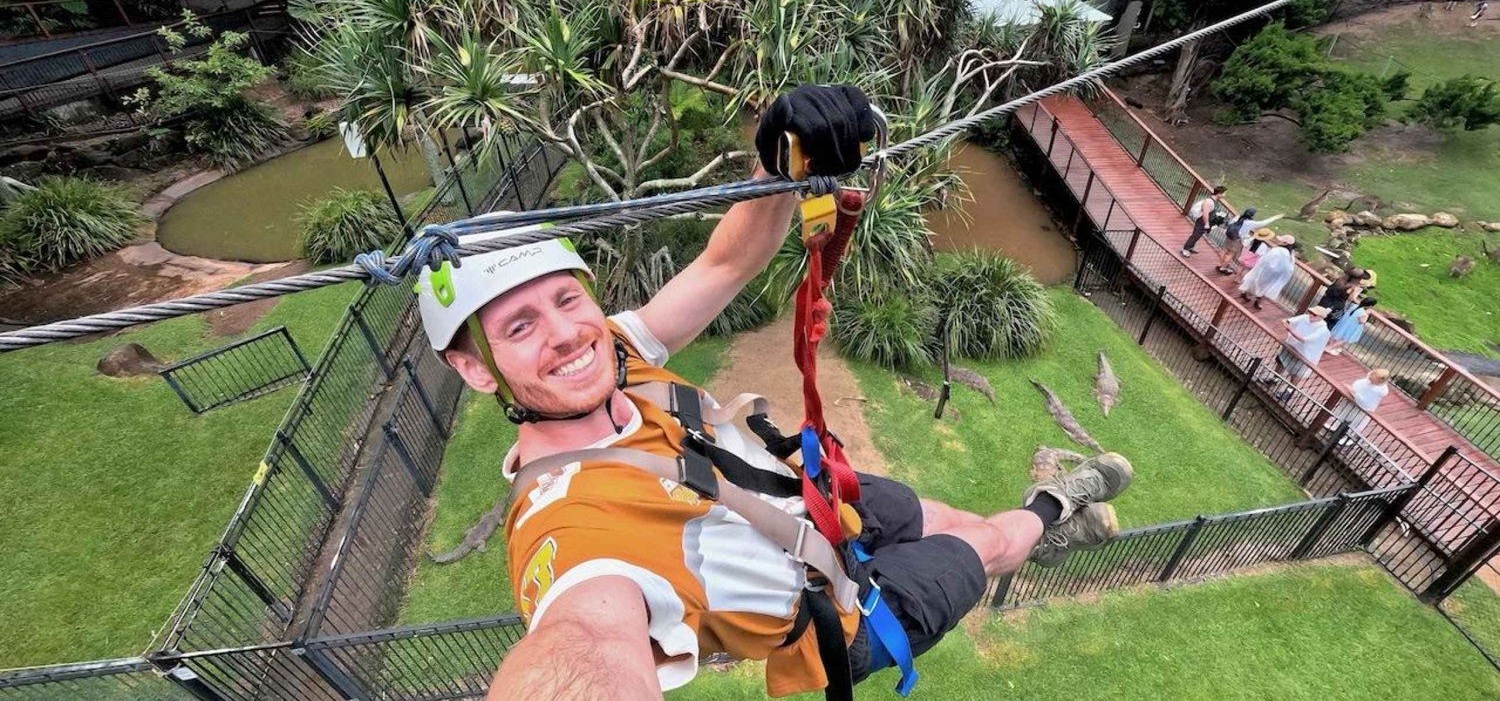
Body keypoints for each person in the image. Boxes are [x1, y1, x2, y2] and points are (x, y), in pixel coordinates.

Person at [415, 85, 1135, 701]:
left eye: (568, 301)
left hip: (810, 495)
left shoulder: (619, 351)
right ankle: (1053, 510)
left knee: (940, 513)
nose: (568, 334)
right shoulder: (568, 529)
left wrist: (780, 159)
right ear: (478, 369)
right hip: (843, 611)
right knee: (986, 539)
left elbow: (727, 262)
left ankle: (1032, 524)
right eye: (519, 326)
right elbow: (584, 640)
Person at [1275, 306, 1332, 400]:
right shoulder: (1305, 317)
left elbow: (1304, 340)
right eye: (1310, 312)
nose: (1311, 315)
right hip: (1291, 345)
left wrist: (1290, 329)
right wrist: (1286, 323)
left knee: (1296, 373)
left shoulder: (1322, 330)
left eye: (1314, 314)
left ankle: (1289, 391)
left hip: (1304, 354)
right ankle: (1275, 378)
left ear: (1321, 317)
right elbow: (1288, 321)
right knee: (1280, 361)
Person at [1215, 207, 1283, 277]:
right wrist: (1275, 218)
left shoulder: (1238, 217)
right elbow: (1262, 223)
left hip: (1229, 237)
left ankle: (1219, 263)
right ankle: (1223, 267)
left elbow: (1230, 223)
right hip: (1237, 240)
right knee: (1230, 254)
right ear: (1252, 216)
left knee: (1224, 250)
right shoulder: (1249, 223)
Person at [1239, 234, 1298, 311]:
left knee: (1254, 281)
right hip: (1274, 275)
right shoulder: (1290, 255)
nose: (1278, 240)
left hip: (1265, 270)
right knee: (1266, 288)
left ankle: (1246, 293)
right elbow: (1289, 268)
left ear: (1285, 243)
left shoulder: (1277, 250)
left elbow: (1266, 260)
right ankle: (1258, 301)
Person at [1329, 368, 1391, 437]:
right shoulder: (1367, 380)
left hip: (1363, 408)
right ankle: (1333, 425)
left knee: (1355, 422)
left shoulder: (1379, 390)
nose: (1371, 376)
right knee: (1343, 413)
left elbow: (1366, 400)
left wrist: (1352, 391)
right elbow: (1360, 385)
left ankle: (1347, 436)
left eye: (1374, 376)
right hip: (1350, 401)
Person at [1181, 184, 1228, 258]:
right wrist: (1206, 223)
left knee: (1198, 235)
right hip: (1202, 221)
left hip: (1206, 221)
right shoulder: (1209, 202)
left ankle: (1190, 247)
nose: (1225, 195)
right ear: (1219, 194)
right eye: (1224, 193)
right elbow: (1205, 213)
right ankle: (1185, 249)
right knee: (1195, 235)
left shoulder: (1215, 201)